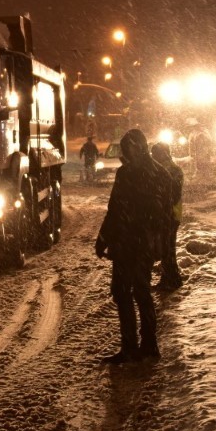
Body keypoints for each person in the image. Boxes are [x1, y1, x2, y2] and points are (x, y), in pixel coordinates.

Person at [94, 128, 173, 363]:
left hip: (135, 243)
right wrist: (104, 238)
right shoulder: (152, 174)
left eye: (129, 149)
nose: (126, 154)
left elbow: (162, 215)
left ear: (138, 148)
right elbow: (115, 209)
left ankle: (141, 345)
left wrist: (108, 237)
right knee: (128, 292)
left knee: (136, 291)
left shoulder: (142, 174)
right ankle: (139, 345)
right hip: (131, 243)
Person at [151, 141, 185, 291]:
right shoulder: (165, 168)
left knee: (167, 247)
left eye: (156, 154)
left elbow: (174, 195)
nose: (153, 157)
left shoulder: (172, 170)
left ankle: (172, 279)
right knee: (166, 247)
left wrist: (164, 208)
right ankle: (168, 278)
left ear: (163, 153)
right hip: (166, 215)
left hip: (170, 215)